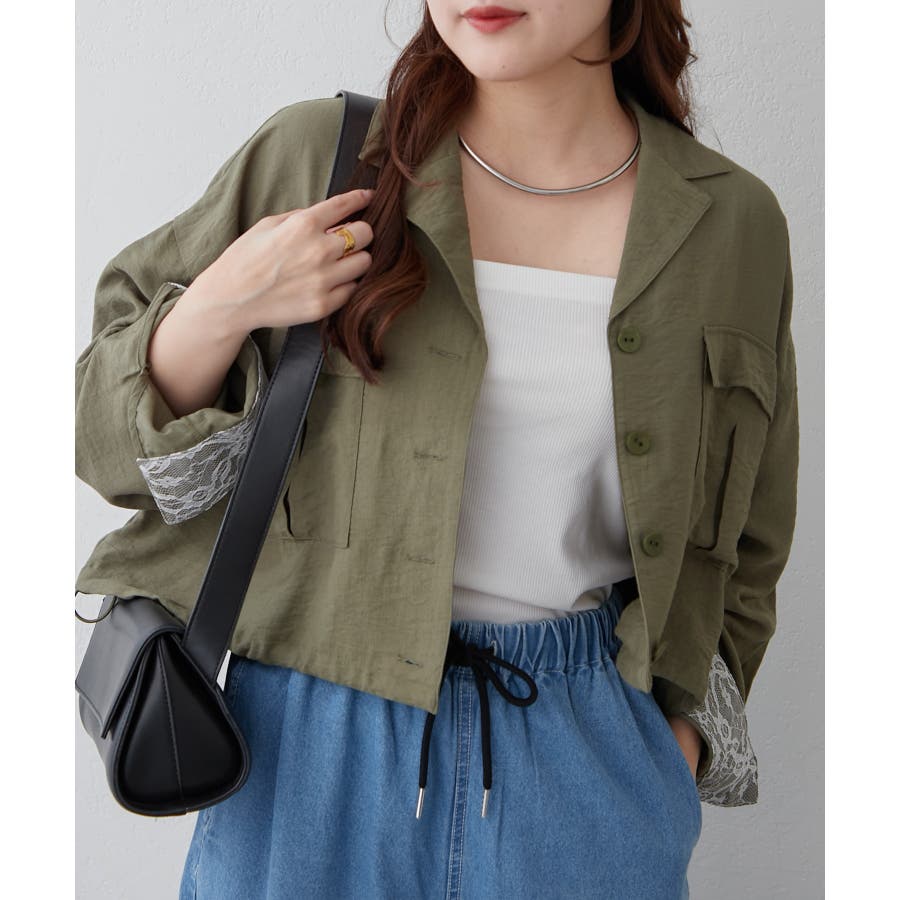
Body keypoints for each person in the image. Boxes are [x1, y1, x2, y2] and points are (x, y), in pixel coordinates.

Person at [75, 2, 799, 898]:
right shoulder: (326, 159)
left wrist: (664, 752)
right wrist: (225, 303)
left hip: (586, 767)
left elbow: (749, 546)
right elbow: (102, 443)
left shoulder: (732, 225)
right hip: (307, 761)